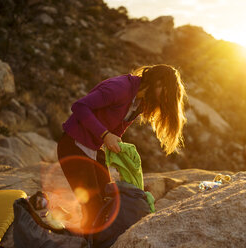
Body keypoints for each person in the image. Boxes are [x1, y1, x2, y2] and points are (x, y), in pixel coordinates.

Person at [56, 64, 187, 231]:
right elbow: (80, 107)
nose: (165, 100)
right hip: (73, 145)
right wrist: (105, 135)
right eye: (166, 92)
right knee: (93, 207)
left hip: (94, 149)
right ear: (158, 82)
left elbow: (118, 126)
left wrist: (118, 147)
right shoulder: (120, 88)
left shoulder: (140, 102)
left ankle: (93, 237)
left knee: (108, 201)